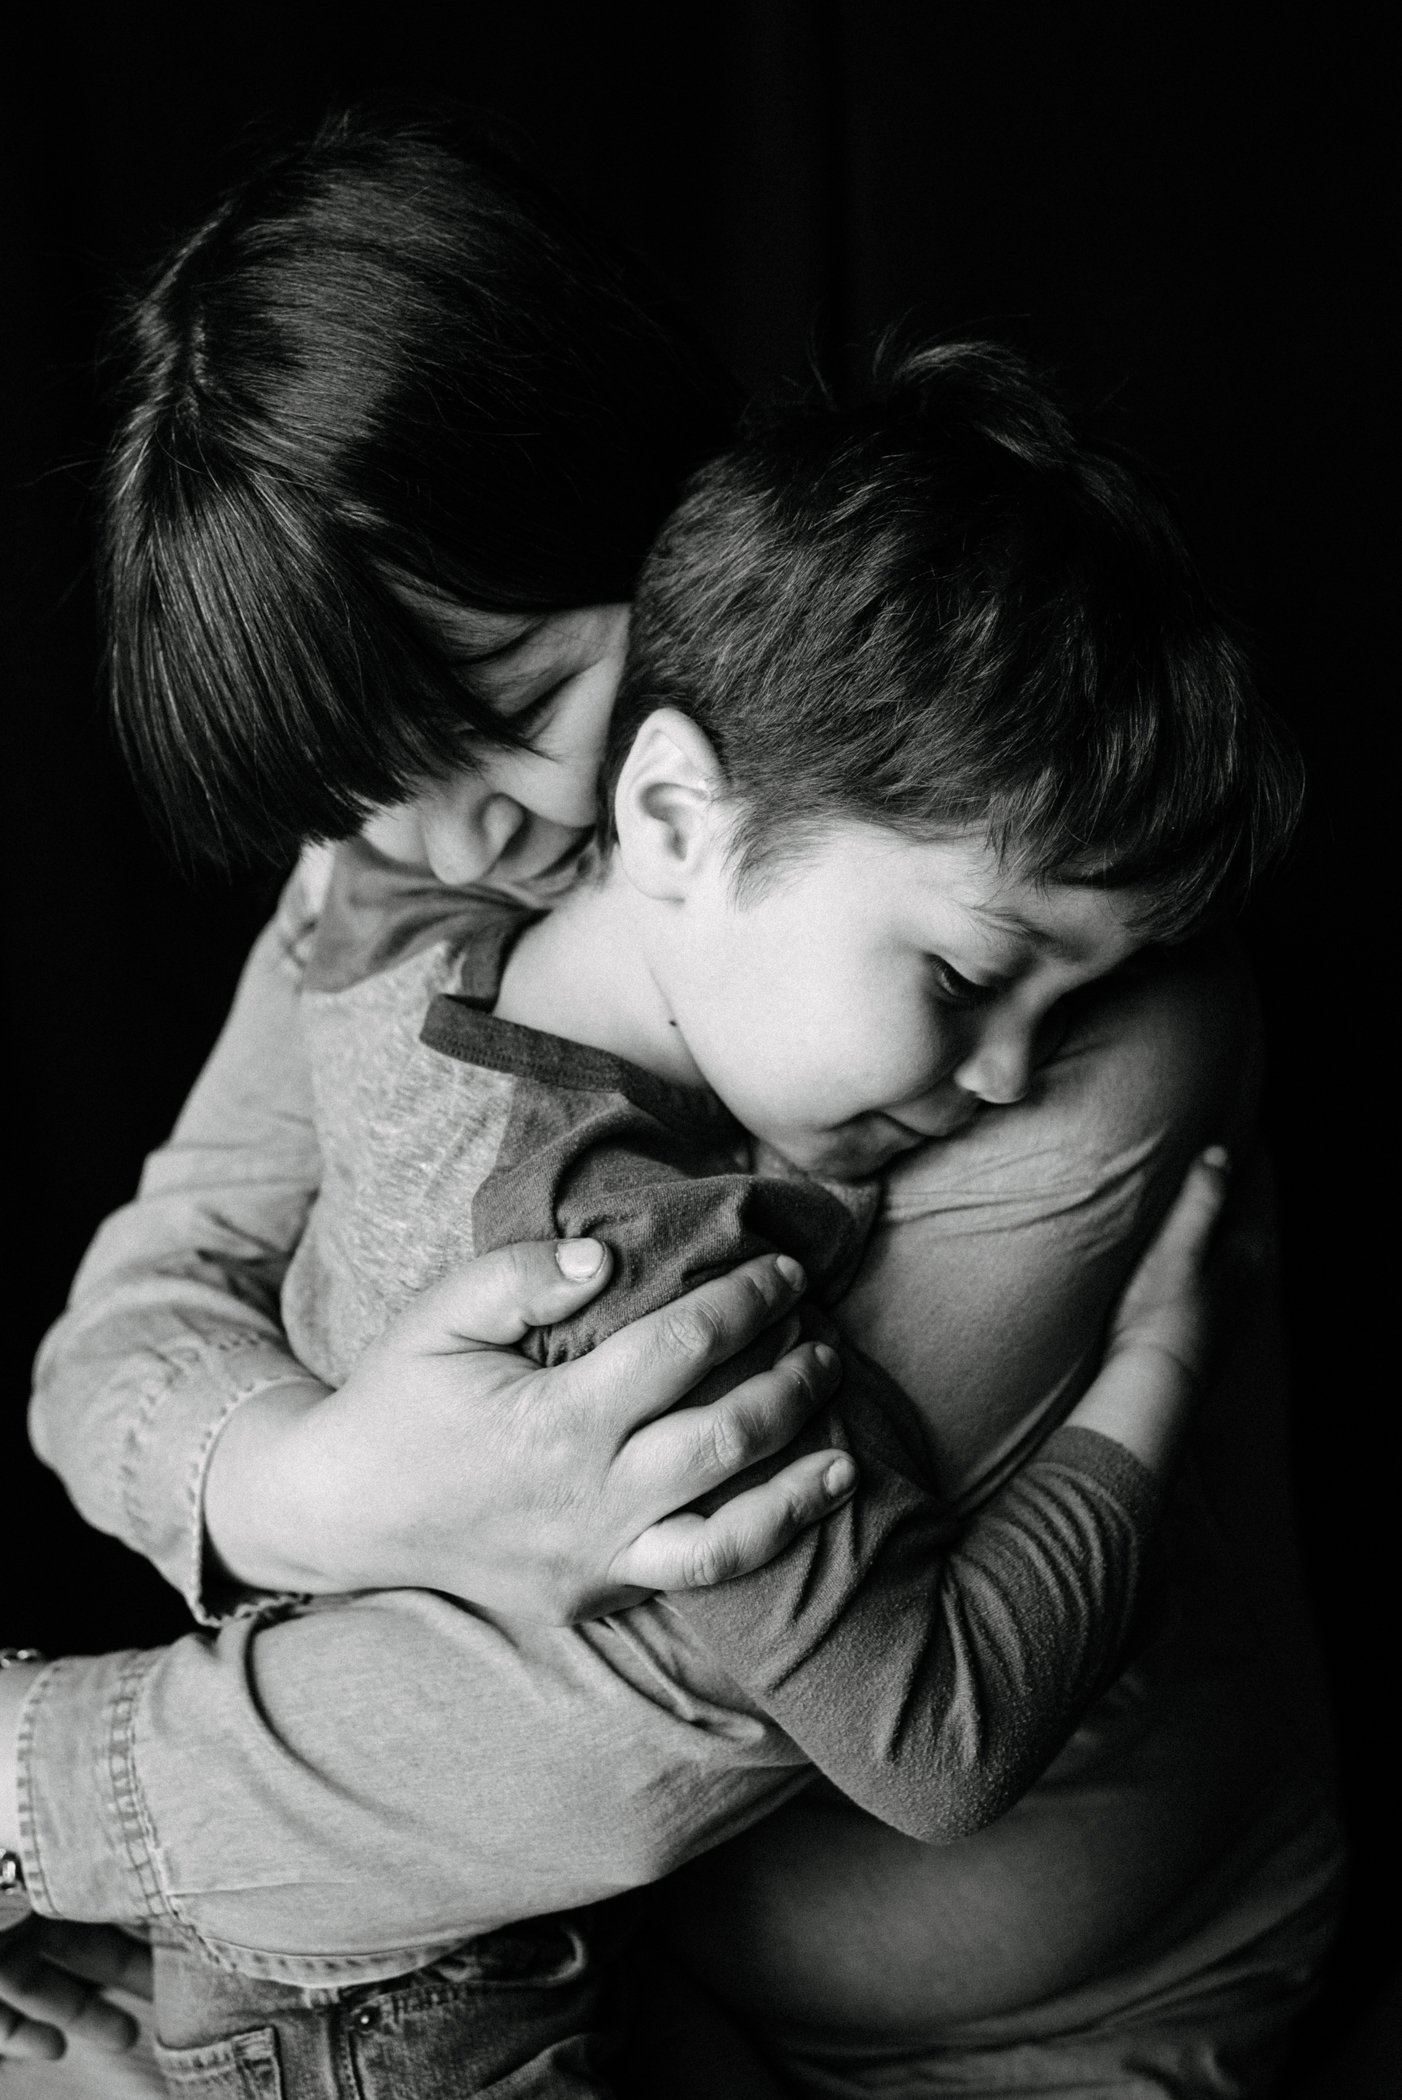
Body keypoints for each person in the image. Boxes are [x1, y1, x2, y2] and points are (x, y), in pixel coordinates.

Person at [3, 117, 1336, 2100]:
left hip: (1039, 2033)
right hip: (594, 1992)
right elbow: (147, 1284)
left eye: (514, 703)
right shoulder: (432, 867)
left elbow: (640, 1716)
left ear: (683, 525)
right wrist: (313, 1478)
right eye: (351, 779)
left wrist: (35, 1798)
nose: (454, 838)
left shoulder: (1025, 978)